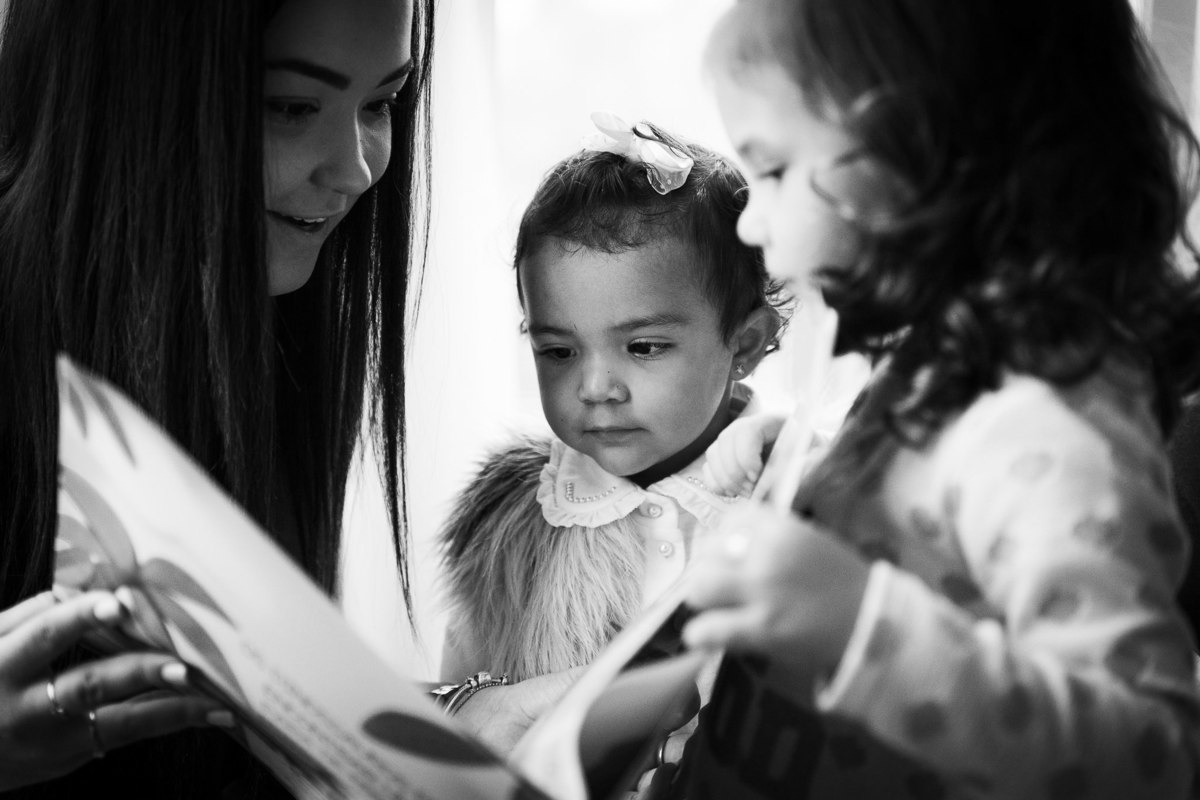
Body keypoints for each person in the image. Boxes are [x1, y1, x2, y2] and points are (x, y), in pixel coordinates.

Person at [673, 0, 1200, 798]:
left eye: (773, 170)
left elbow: (1146, 756)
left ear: (929, 155)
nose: (750, 222)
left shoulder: (1050, 424)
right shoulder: (937, 360)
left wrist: (859, 628)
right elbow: (941, 542)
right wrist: (816, 471)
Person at [0, 0, 432, 796]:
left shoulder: (271, 323)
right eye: (291, 107)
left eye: (381, 104)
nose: (357, 169)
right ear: (130, 97)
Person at [436, 118, 789, 765]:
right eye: (558, 350)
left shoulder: (804, 498)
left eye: (644, 347)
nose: (595, 386)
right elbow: (474, 707)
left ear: (745, 342)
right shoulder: (509, 536)